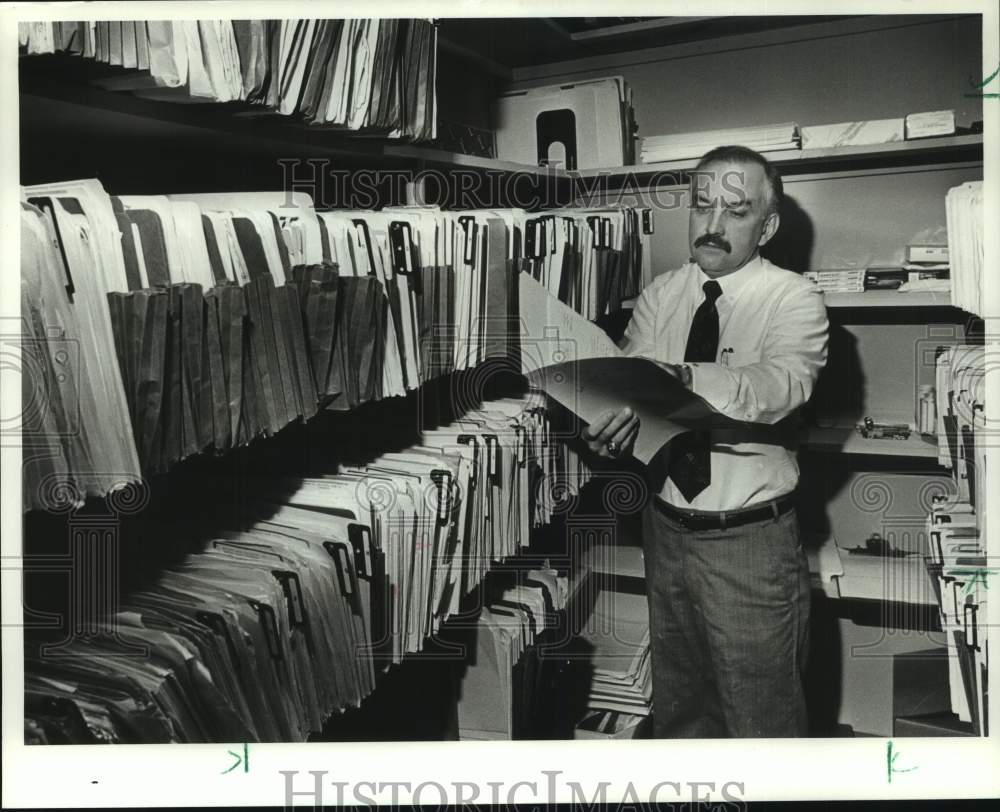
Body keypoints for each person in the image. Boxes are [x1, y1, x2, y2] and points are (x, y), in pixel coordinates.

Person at [582, 145, 829, 738]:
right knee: (679, 712)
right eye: (702, 206)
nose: (713, 225)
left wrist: (685, 377)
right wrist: (609, 430)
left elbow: (781, 385)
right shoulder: (662, 295)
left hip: (748, 539)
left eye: (736, 211)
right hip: (665, 529)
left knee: (760, 720)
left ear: (766, 226)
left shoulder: (794, 298)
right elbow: (630, 402)